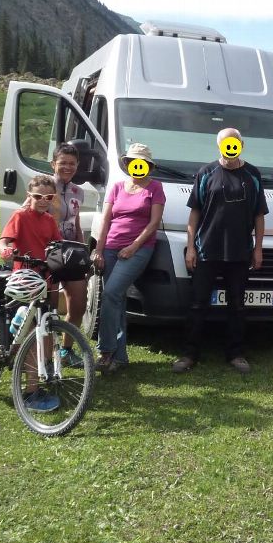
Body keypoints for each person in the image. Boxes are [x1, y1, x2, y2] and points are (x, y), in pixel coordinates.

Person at [172, 127, 268, 374]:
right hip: (206, 251)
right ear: (219, 146)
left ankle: (236, 354)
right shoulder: (206, 173)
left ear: (241, 144)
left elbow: (259, 216)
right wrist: (190, 247)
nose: (230, 148)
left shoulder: (253, 175)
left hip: (239, 253)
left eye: (234, 143)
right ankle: (189, 354)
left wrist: (258, 249)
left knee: (237, 305)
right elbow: (194, 213)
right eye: (226, 143)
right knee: (197, 304)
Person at [93, 143, 166, 374]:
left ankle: (105, 351)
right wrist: (98, 250)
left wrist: (134, 247)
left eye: (142, 162)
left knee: (111, 293)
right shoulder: (116, 187)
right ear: (127, 164)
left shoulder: (155, 187)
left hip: (139, 248)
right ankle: (120, 357)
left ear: (149, 166)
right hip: (111, 247)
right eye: (133, 161)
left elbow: (154, 223)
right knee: (117, 300)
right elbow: (106, 220)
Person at [0, 174, 63, 412]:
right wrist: (6, 250)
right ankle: (30, 391)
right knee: (32, 333)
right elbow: (4, 241)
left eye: (49, 197)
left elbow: (57, 246)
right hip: (24, 280)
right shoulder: (20, 216)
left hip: (45, 281)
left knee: (45, 330)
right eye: (38, 196)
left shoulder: (50, 221)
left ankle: (39, 373)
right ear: (29, 195)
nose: (43, 200)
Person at [47, 143, 90, 368]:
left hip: (72, 253)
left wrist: (84, 251)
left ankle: (66, 351)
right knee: (49, 306)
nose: (67, 167)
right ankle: (43, 355)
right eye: (62, 162)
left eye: (72, 163)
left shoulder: (78, 192)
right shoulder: (44, 186)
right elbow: (27, 210)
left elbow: (76, 223)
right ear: (53, 164)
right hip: (48, 253)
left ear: (77, 166)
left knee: (78, 305)